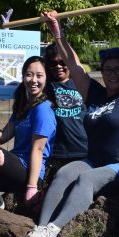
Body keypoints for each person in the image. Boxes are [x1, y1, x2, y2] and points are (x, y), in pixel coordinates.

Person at [24, 0, 119, 237]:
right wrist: (57, 32)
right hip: (94, 159)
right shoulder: (95, 93)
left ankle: (53, 230)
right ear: (101, 72)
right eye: (107, 70)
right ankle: (38, 228)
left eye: (118, 70)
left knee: (87, 180)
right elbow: (74, 64)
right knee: (63, 174)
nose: (112, 74)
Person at [0, 56, 56, 208]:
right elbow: (2, 137)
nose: (33, 80)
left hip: (29, 173)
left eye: (39, 75)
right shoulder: (24, 107)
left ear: (46, 78)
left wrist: (31, 187)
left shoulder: (43, 109)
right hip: (15, 168)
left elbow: (38, 149)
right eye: (29, 75)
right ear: (23, 77)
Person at [43, 43, 88, 175]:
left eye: (63, 62)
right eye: (53, 63)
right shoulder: (46, 87)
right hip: (58, 153)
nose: (58, 66)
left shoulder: (82, 84)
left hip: (84, 150)